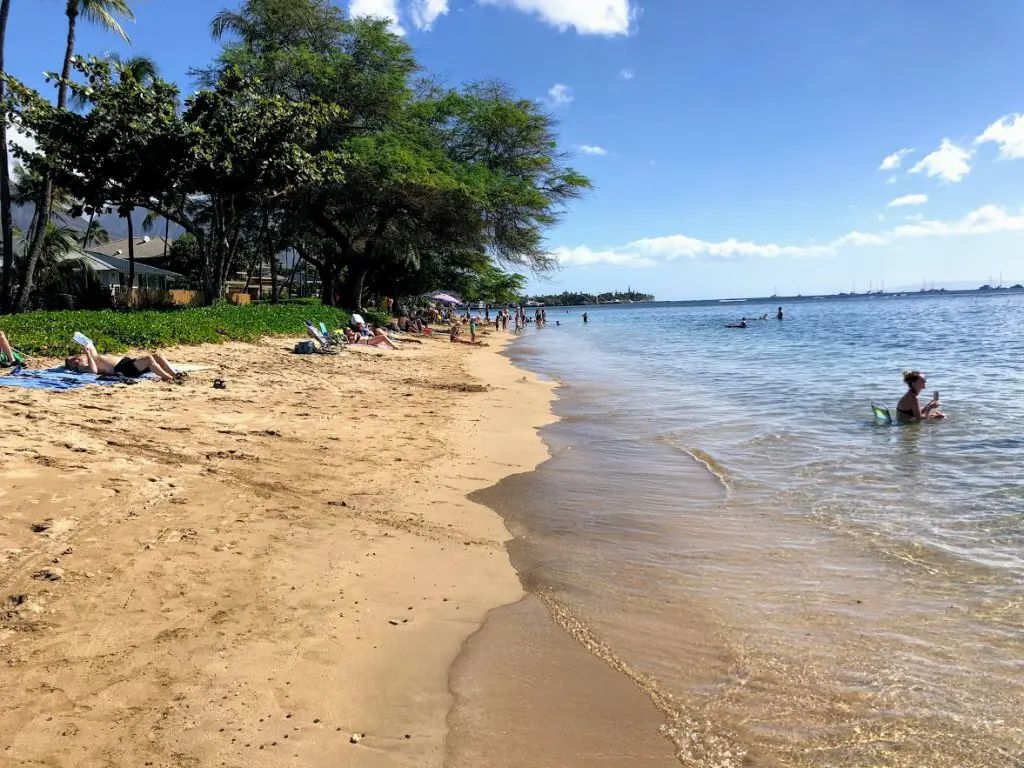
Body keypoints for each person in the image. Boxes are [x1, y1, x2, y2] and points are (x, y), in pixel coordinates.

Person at [65, 344, 181, 382]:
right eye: (72, 359)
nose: (76, 357)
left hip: (126, 362)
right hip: (121, 368)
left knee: (158, 355)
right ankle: (168, 378)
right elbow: (93, 371)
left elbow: (90, 344)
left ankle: (175, 374)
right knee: (150, 359)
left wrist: (84, 345)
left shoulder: (90, 357)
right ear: (72, 365)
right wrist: (88, 355)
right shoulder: (81, 366)